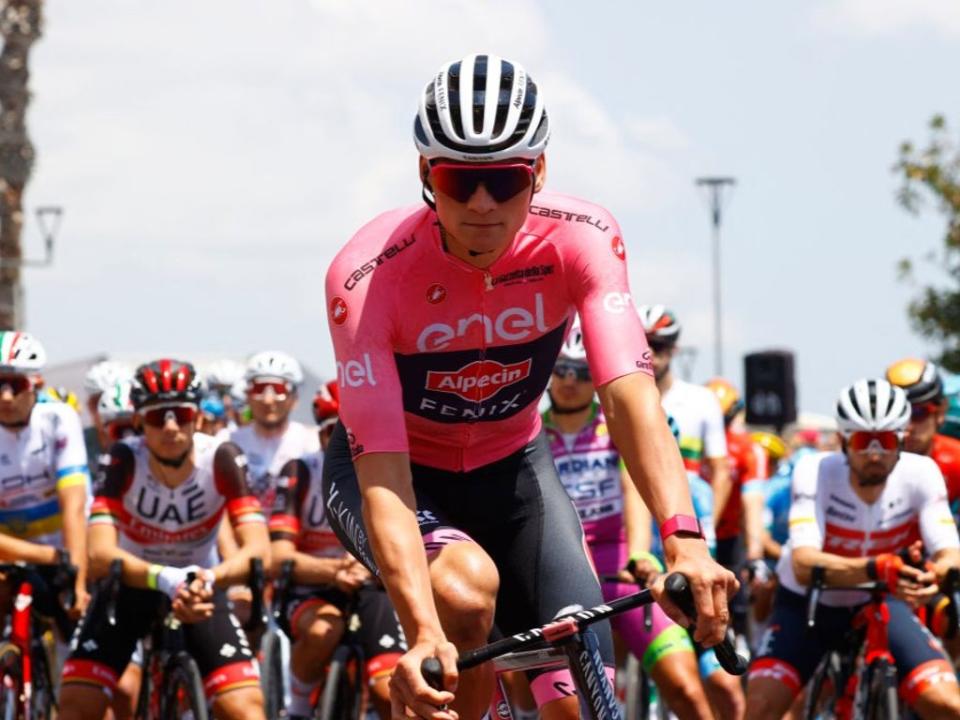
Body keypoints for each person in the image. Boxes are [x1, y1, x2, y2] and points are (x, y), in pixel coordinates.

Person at [324, 53, 735, 720]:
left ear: (539, 171)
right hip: (401, 478)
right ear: (426, 173)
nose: (483, 204)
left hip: (516, 471)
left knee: (577, 696)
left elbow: (631, 395)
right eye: (460, 181)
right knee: (462, 596)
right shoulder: (367, 277)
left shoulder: (583, 239)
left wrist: (683, 537)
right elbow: (385, 475)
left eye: (506, 180)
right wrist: (421, 626)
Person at [58, 359, 270, 720]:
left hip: (199, 587)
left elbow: (258, 549)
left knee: (245, 708)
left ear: (198, 418)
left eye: (181, 414)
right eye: (158, 417)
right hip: (132, 584)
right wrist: (163, 578)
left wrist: (210, 579)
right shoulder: (123, 458)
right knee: (78, 706)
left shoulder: (221, 457)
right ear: (139, 422)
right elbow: (98, 553)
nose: (171, 427)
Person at [745, 379, 960, 719]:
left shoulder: (921, 472)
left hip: (881, 600)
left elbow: (949, 551)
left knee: (949, 705)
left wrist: (940, 574)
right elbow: (803, 563)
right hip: (809, 601)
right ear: (843, 442)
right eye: (863, 441)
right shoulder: (815, 470)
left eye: (886, 440)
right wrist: (877, 566)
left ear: (901, 441)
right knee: (759, 708)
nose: (874, 453)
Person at [543, 319, 713, 719]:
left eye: (583, 372)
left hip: (621, 565)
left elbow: (633, 488)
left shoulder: (613, 424)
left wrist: (638, 552)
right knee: (565, 706)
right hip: (562, 565)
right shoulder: (531, 431)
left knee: (687, 690)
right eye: (561, 370)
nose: (570, 381)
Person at [636, 306, 744, 718]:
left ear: (674, 349)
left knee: (717, 676)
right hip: (637, 536)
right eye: (643, 343)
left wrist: (705, 533)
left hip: (690, 526)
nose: (651, 351)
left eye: (659, 345)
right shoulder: (611, 397)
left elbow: (719, 471)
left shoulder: (700, 401)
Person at [270, 455, 405, 720]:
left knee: (386, 689)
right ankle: (298, 711)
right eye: (329, 430)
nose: (337, 437)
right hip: (312, 585)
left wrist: (367, 566)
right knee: (324, 631)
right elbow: (277, 558)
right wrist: (334, 571)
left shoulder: (386, 467)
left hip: (368, 584)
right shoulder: (302, 470)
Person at [0, 330, 90, 621]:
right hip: (12, 554)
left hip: (64, 545)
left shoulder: (59, 418)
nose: (5, 396)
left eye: (15, 384)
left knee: (75, 625)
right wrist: (49, 558)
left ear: (37, 384)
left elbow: (74, 507)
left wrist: (76, 578)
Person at [886, 358, 960, 523]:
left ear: (940, 412)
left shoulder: (956, 460)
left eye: (918, 412)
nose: (908, 426)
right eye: (899, 414)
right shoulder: (867, 461)